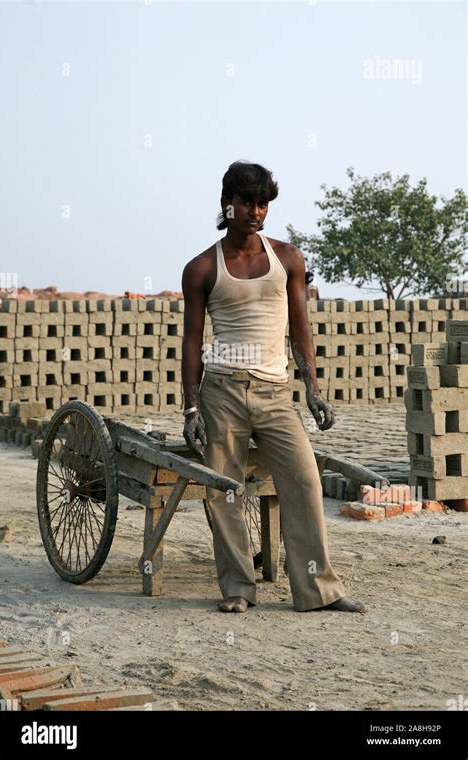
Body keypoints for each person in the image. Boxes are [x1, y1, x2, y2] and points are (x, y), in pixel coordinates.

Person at [181, 160, 366, 615]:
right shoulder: (202, 268)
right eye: (247, 202)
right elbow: (190, 342)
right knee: (225, 490)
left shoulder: (287, 258)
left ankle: (317, 590)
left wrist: (314, 388)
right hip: (221, 392)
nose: (256, 212)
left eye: (263, 204)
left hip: (275, 392)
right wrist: (190, 409)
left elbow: (300, 330)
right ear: (227, 204)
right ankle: (239, 589)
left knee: (304, 480)